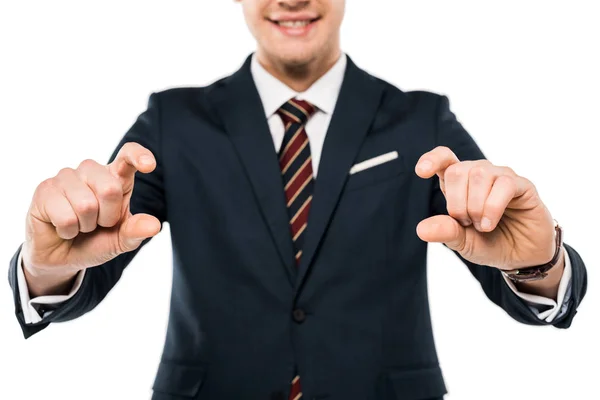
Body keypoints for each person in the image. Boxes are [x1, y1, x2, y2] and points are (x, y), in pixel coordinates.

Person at [7, 0, 587, 399]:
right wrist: (44, 270)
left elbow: (502, 257)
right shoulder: (172, 122)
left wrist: (538, 264)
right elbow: (94, 258)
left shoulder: (421, 120)